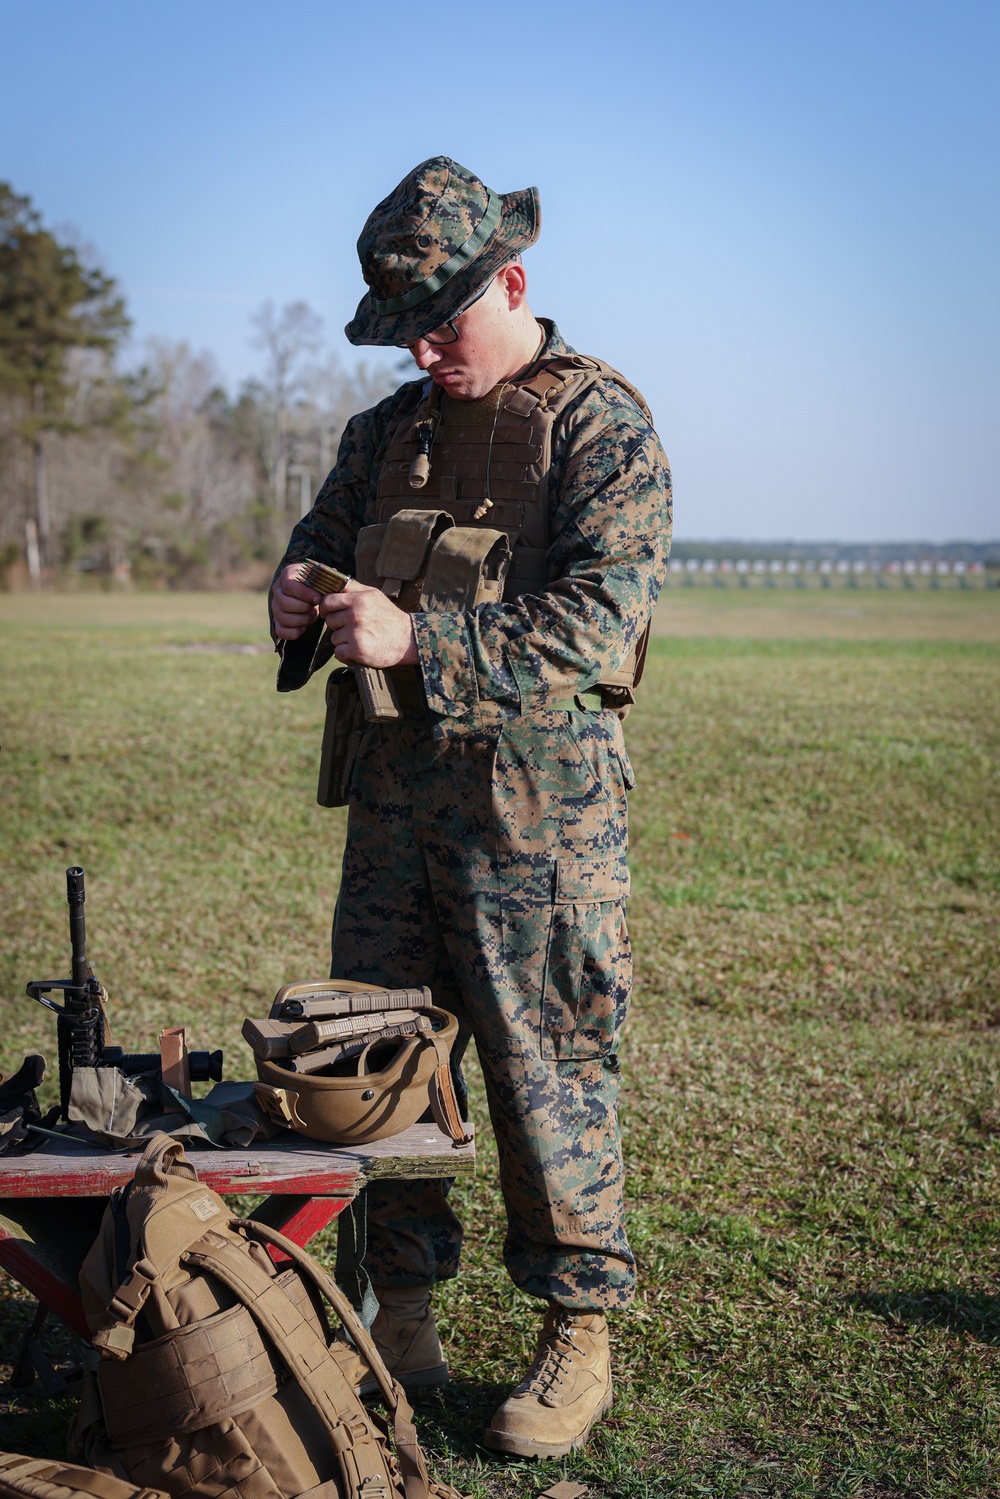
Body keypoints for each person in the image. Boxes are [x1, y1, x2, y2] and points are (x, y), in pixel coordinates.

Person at [269, 156, 672, 1459]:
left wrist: (418, 640)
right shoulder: (387, 430)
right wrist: (295, 588)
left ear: (515, 278)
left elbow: (601, 627)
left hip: (538, 830)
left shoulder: (601, 425)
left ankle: (578, 1334)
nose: (430, 348)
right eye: (409, 330)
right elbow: (328, 538)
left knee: (548, 1073)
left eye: (448, 318)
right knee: (386, 1068)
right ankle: (406, 1313)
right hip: (393, 817)